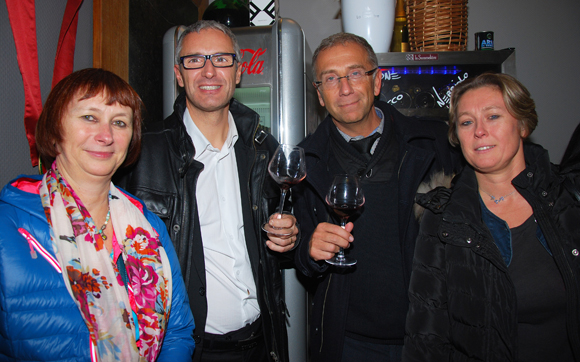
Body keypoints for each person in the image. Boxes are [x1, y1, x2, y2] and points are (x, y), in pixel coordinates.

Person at [115, 20, 297, 362]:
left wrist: (291, 236)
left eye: (221, 59)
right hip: (187, 349)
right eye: (195, 60)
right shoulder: (141, 153)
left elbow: (279, 238)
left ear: (238, 72)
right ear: (179, 74)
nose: (209, 70)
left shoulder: (263, 149)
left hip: (262, 340)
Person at [0, 68, 195, 360]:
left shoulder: (150, 227)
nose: (106, 135)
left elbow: (177, 332)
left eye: (119, 122)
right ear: (56, 129)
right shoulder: (9, 226)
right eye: (89, 117)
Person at [292, 32, 461, 362]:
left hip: (434, 333)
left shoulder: (434, 142)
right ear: (320, 95)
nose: (345, 88)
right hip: (347, 342)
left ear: (377, 81)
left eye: (355, 73)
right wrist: (309, 250)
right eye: (331, 78)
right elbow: (297, 255)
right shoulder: (305, 161)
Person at [403, 73, 580, 361]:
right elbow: (426, 336)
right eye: (466, 122)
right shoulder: (442, 219)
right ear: (456, 137)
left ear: (522, 125)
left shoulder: (569, 198)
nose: (479, 131)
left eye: (493, 116)